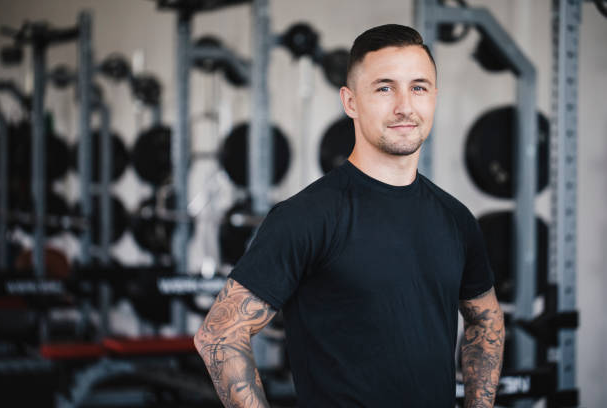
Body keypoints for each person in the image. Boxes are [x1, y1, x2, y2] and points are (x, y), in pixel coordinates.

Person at [194, 24, 504, 408]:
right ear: (350, 101)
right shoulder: (308, 216)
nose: (405, 106)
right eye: (385, 88)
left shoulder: (456, 219)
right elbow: (219, 335)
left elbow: (486, 320)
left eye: (419, 87)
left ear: (434, 98)